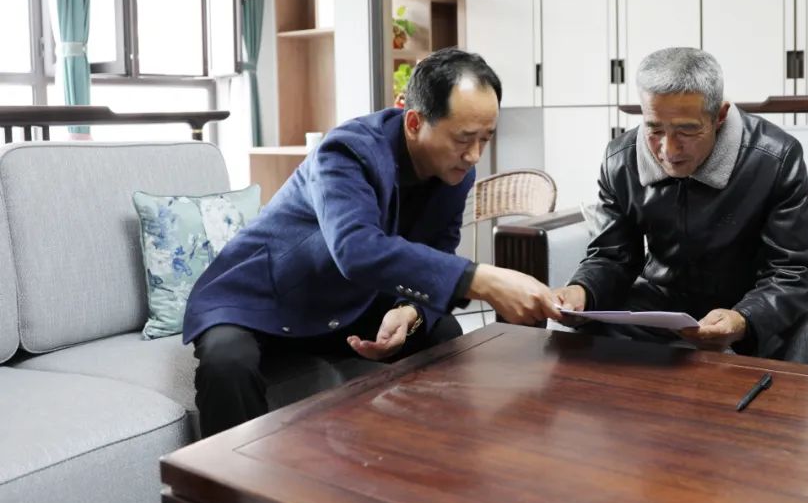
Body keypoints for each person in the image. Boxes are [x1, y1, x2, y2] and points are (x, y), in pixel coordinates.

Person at [184, 48, 563, 437]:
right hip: (262, 297)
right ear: (414, 122)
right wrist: (483, 279)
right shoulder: (346, 152)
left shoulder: (455, 170)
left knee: (440, 331)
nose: (474, 155)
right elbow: (357, 248)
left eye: (485, 138)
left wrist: (410, 310)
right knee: (227, 362)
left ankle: (428, 452)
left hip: (339, 302)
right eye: (464, 138)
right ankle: (221, 476)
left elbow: (438, 253)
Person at [556, 47, 808, 364]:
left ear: (720, 116)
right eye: (655, 129)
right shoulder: (620, 160)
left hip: (760, 297)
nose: (669, 151)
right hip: (664, 297)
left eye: (686, 130)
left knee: (801, 346)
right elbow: (612, 257)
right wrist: (581, 291)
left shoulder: (776, 157)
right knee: (582, 341)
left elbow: (794, 270)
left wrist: (743, 318)